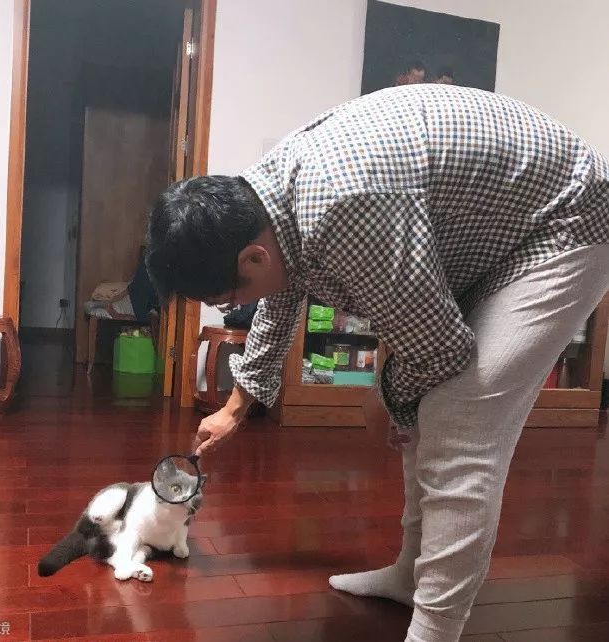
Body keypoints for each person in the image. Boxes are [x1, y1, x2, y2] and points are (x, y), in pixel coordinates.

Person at [146, 84, 609, 642]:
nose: (233, 307)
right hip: (494, 233)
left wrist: (384, 396)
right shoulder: (258, 202)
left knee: (460, 421)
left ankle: (434, 630)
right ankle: (412, 575)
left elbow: (440, 350)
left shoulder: (343, 208)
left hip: (566, 221)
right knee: (424, 406)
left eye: (227, 299)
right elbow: (282, 290)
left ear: (253, 256)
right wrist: (235, 406)